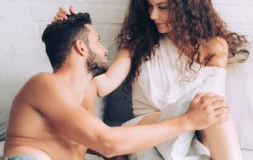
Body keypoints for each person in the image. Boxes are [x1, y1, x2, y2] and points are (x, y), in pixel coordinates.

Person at [53, 0, 249, 159]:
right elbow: (103, 85)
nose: (153, 15)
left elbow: (212, 103)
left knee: (217, 112)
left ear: (185, 7)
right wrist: (70, 35)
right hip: (144, 128)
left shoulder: (213, 46)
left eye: (162, 7)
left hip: (191, 128)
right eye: (150, 7)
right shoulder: (138, 43)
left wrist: (193, 126)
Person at [3, 13, 228, 160]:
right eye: (98, 40)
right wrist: (187, 121)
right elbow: (108, 141)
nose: (104, 49)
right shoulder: (44, 83)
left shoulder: (87, 91)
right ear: (81, 47)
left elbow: (94, 141)